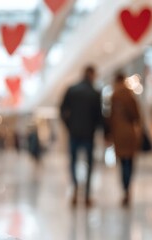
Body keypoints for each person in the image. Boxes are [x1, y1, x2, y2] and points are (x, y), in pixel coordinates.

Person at [60, 65, 103, 207]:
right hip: (88, 135)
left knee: (73, 162)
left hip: (74, 133)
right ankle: (87, 195)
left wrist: (69, 126)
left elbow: (62, 110)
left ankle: (75, 187)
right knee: (89, 164)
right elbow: (99, 116)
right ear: (92, 74)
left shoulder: (72, 90)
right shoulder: (95, 93)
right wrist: (98, 129)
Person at [110, 73, 142, 207]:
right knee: (130, 162)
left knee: (122, 163)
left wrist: (109, 134)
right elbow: (137, 116)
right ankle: (128, 188)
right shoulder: (130, 96)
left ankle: (125, 189)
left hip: (118, 134)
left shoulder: (114, 97)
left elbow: (110, 118)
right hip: (130, 134)